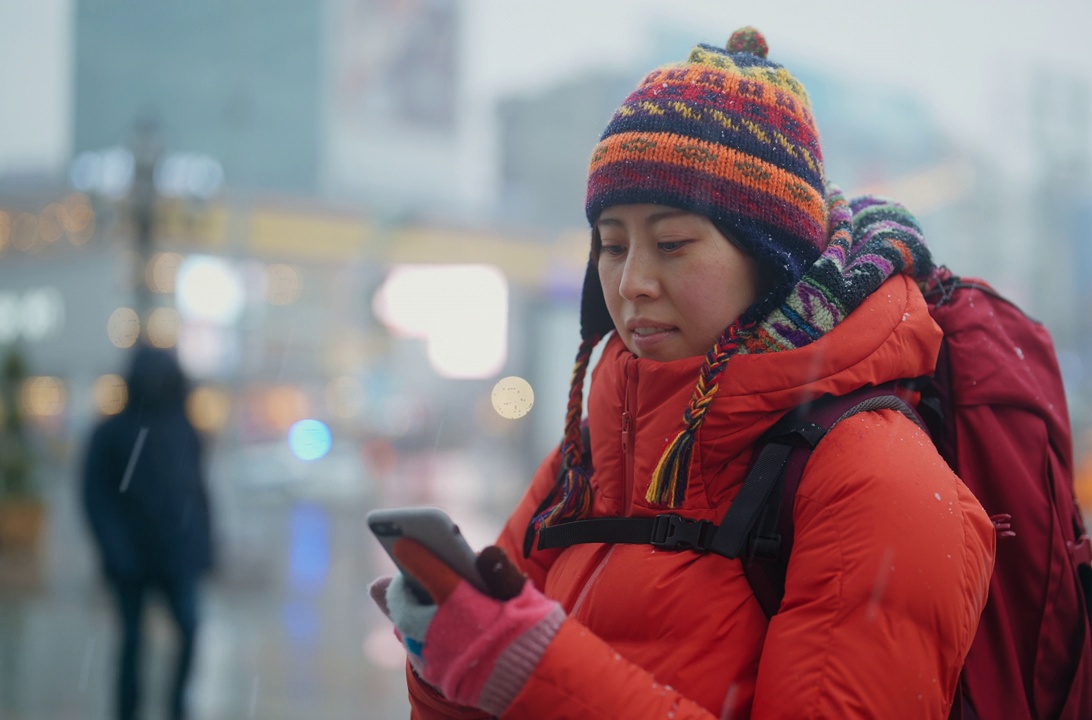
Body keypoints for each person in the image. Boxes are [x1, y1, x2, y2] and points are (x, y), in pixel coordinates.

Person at [369, 27, 996, 718]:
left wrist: (519, 663)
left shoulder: (874, 479)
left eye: (672, 244)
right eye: (611, 245)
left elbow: (530, 679)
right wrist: (446, 659)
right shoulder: (591, 455)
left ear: (772, 261)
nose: (632, 281)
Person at [82, 343, 214, 720]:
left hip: (178, 556)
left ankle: (177, 707)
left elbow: (197, 490)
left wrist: (205, 547)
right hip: (131, 560)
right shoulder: (111, 434)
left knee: (189, 630)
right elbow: (95, 497)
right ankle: (127, 710)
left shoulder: (182, 430)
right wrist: (115, 550)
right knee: (132, 643)